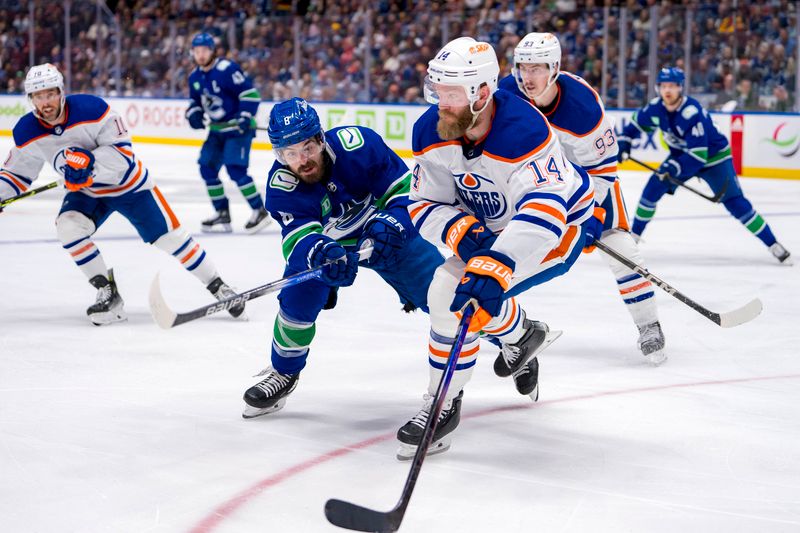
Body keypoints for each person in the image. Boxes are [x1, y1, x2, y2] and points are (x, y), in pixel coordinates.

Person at [397, 37, 595, 458]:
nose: (439, 103)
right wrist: (461, 233)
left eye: (449, 94)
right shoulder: (430, 130)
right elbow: (423, 203)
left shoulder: (522, 130)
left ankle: (441, 402)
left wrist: (495, 264)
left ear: (482, 92)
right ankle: (524, 333)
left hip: (555, 229)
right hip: (488, 228)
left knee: (455, 294)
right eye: (436, 91)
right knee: (452, 292)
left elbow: (544, 211)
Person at [241, 98, 445, 419]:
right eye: (289, 154)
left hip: (384, 234)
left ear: (321, 139)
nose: (301, 160)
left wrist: (393, 223)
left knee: (446, 294)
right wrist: (321, 252)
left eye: (307, 148)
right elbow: (298, 240)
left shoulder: (358, 145)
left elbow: (407, 191)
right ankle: (284, 371)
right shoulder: (282, 184)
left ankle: (516, 334)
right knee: (297, 300)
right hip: (329, 247)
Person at [0, 64, 246, 325]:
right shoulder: (27, 131)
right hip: (87, 194)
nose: (45, 102)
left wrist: (89, 165)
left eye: (50, 94)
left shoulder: (92, 110)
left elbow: (123, 158)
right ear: (30, 99)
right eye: (38, 96)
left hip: (130, 187)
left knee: (171, 238)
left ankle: (218, 285)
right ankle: (108, 293)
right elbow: (16, 173)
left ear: (61, 91)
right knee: (68, 227)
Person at [498, 32, 666, 365]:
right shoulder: (507, 93)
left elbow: (603, 170)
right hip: (533, 184)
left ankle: (649, 324)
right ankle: (508, 329)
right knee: (507, 251)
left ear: (555, 68)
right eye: (522, 68)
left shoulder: (584, 107)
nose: (527, 77)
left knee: (621, 249)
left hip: (587, 181)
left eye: (536, 69)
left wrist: (589, 214)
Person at [618, 67, 792, 265]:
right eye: (663, 86)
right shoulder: (656, 107)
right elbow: (633, 126)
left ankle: (773, 244)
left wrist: (673, 168)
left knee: (736, 203)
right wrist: (624, 141)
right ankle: (633, 241)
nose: (668, 91)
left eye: (672, 86)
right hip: (683, 155)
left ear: (681, 88)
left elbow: (698, 156)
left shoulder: (691, 112)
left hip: (714, 158)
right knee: (651, 190)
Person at [185, 32, 271, 234]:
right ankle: (222, 212)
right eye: (197, 51)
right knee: (207, 168)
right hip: (217, 131)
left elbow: (250, 94)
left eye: (205, 50)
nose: (201, 55)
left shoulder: (226, 69)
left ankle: (259, 210)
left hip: (237, 130)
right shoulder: (194, 77)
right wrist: (194, 114)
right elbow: (195, 102)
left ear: (213, 51)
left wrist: (244, 116)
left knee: (236, 169)